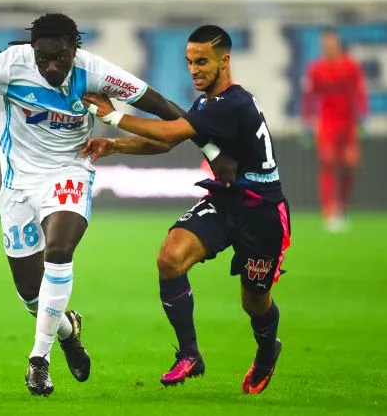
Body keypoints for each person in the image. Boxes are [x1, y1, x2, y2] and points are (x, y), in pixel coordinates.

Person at [0, 14, 236, 396]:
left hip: (70, 171)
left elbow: (162, 106)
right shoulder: (7, 65)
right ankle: (67, 331)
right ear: (32, 50)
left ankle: (39, 360)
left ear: (74, 51)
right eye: (43, 58)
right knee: (31, 293)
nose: (51, 67)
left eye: (60, 58)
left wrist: (213, 151)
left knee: (59, 250)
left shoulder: (96, 72)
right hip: (18, 184)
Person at [82, 25, 291, 394]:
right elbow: (168, 144)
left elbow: (169, 133)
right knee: (170, 258)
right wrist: (114, 146)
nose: (194, 69)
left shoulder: (231, 103)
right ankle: (190, 354)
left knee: (254, 302)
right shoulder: (209, 104)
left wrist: (112, 116)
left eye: (202, 62)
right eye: (189, 62)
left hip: (262, 214)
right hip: (226, 202)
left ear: (225, 61)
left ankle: (266, 350)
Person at [301, 28, 368, 232]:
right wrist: (308, 121)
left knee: (348, 165)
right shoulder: (316, 69)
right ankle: (329, 211)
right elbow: (309, 96)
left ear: (338, 45)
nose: (328, 48)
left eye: (331, 44)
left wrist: (361, 120)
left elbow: (359, 93)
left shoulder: (351, 66)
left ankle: (343, 208)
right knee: (328, 164)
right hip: (327, 124)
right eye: (325, 45)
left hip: (348, 124)